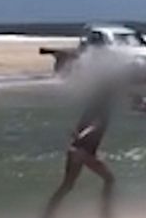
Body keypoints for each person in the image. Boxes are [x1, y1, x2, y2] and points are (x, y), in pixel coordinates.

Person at [43, 89, 115, 218]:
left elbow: (85, 129)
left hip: (77, 151)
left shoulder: (89, 112)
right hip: (83, 152)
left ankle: (48, 214)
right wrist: (82, 136)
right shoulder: (102, 114)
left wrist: (83, 140)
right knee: (109, 179)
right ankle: (105, 214)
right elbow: (93, 128)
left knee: (67, 185)